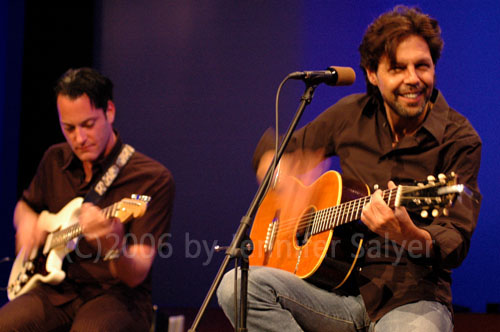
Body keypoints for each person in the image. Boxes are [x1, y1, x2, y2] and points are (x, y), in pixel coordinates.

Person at [217, 5, 481, 332]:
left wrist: (408, 234)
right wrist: (279, 170)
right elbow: (275, 151)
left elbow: (455, 239)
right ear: (372, 73)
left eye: (422, 66)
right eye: (398, 68)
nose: (413, 79)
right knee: (237, 286)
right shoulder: (350, 115)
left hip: (411, 298)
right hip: (332, 292)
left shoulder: (459, 138)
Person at [0, 67, 175, 331]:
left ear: (110, 112)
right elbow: (25, 206)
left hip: (117, 296)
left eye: (88, 125)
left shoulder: (152, 178)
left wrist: (112, 244)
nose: (79, 139)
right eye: (68, 128)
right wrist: (25, 223)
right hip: (55, 288)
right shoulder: (54, 159)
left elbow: (137, 272)